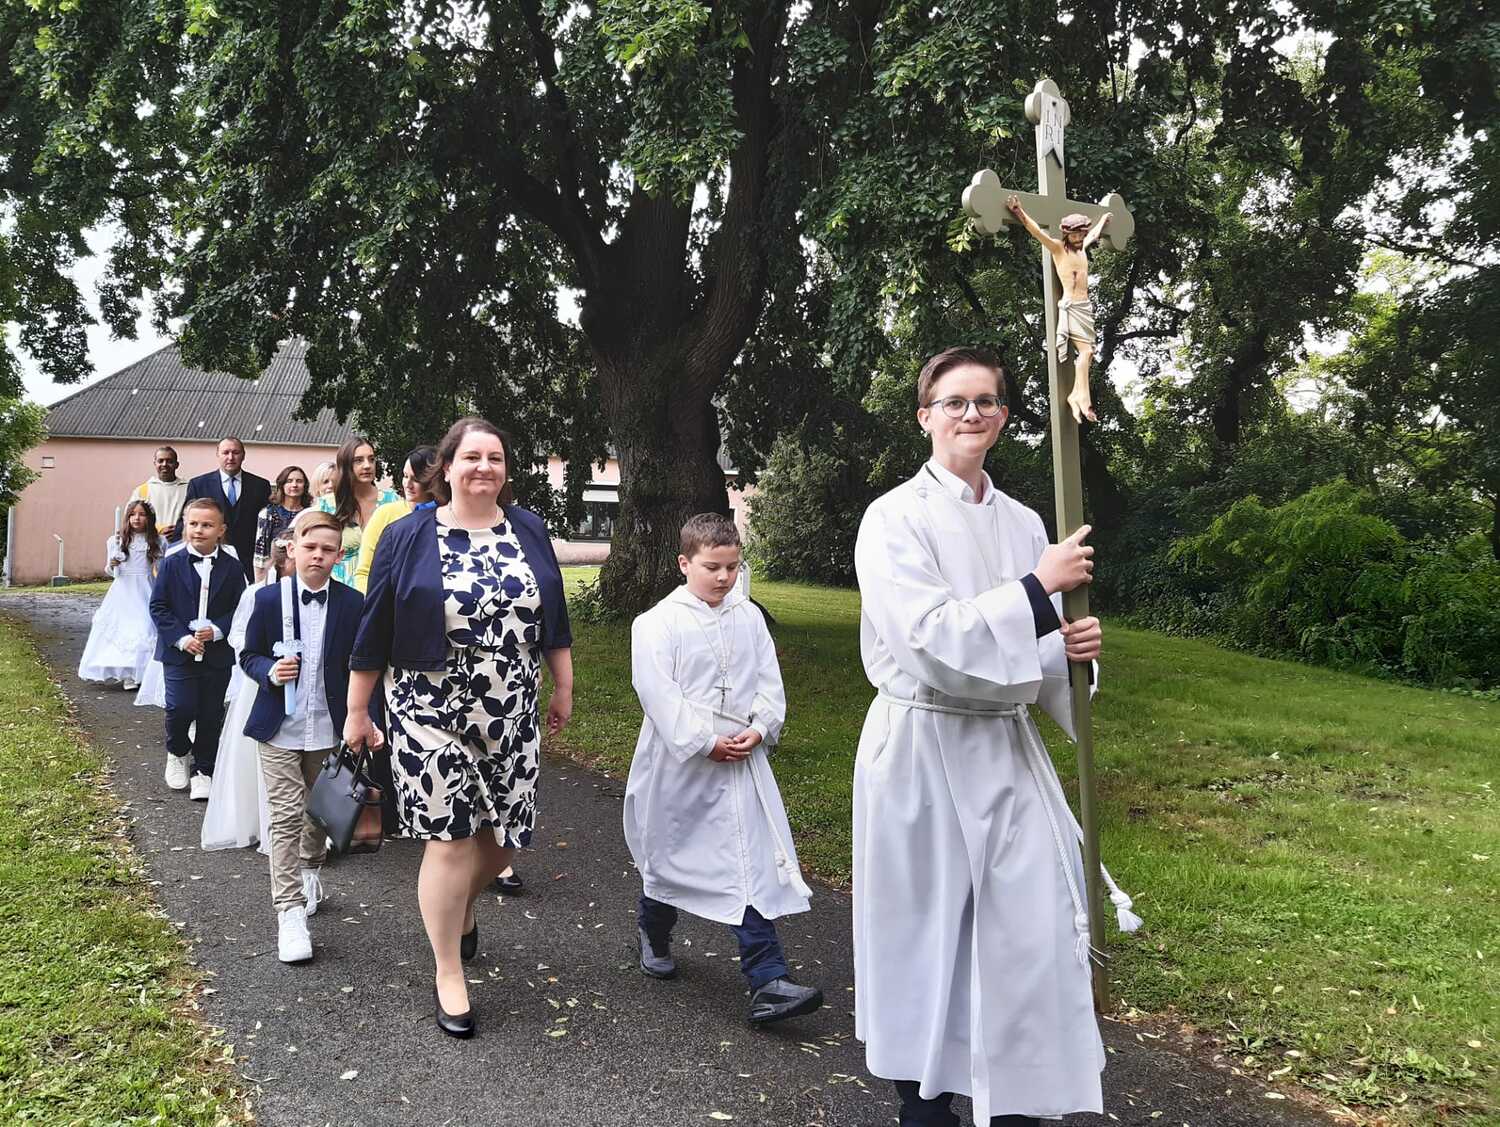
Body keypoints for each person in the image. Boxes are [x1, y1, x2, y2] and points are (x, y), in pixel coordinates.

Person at [852, 347, 1134, 1127]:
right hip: (921, 748)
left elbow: (1037, 658)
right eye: (954, 401)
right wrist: (1038, 590)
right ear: (925, 416)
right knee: (926, 933)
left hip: (1006, 753)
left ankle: (1016, 1101)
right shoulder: (892, 518)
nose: (970, 413)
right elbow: (929, 639)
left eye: (985, 401)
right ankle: (924, 1103)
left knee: (1025, 932)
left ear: (1005, 417)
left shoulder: (1026, 523)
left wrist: (1074, 657)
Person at [346, 416, 574, 1039]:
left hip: (511, 706)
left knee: (503, 840)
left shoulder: (528, 528)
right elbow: (375, 624)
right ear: (446, 468)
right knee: (448, 839)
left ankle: (461, 908)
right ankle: (449, 971)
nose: (484, 467)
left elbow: (552, 614)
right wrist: (358, 710)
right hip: (427, 706)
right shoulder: (408, 533)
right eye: (471, 457)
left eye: (495, 457)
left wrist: (562, 684)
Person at [624, 513, 823, 1025]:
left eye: (732, 567)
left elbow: (768, 681)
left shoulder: (748, 617)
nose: (724, 577)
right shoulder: (657, 623)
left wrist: (761, 726)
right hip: (682, 766)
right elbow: (657, 694)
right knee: (669, 859)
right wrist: (702, 742)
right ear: (684, 563)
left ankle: (768, 979)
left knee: (747, 864)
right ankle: (653, 928)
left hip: (741, 761)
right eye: (712, 567)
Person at [242, 510, 366, 964]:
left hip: (328, 727)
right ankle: (289, 913)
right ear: (291, 548)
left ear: (339, 556)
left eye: (328, 550)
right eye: (310, 547)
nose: (318, 556)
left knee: (318, 812)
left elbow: (363, 667)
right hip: (279, 727)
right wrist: (269, 671)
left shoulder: (352, 604)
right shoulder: (268, 599)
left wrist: (366, 720)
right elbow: (248, 655)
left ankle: (311, 870)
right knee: (285, 815)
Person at [201, 533, 293, 854]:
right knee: (255, 754)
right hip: (260, 681)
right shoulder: (257, 593)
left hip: (299, 681)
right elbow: (238, 635)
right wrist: (268, 661)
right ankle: (255, 821)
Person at [151, 498, 248, 800]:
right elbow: (159, 606)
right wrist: (182, 638)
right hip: (178, 653)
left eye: (207, 525)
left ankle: (204, 769)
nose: (199, 530)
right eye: (193, 524)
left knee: (210, 712)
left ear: (221, 530)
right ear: (185, 526)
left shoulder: (233, 567)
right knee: (180, 707)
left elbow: (241, 608)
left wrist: (218, 630)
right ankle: (178, 751)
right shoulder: (172, 563)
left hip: (216, 656)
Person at [1005, 196, 1113, 424]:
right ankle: (1083, 398)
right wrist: (1019, 212)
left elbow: (1094, 235)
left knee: (1088, 354)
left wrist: (1103, 221)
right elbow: (1036, 232)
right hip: (1071, 306)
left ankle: (1075, 395)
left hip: (1085, 307)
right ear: (1066, 234)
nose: (1079, 238)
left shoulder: (1082, 249)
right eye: (1075, 235)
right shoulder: (1058, 249)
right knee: (1086, 353)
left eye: (1081, 234)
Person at [79, 500, 162, 690]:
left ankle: (144, 673)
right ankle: (129, 674)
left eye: (142, 514)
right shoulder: (116, 541)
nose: (137, 518)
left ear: (149, 518)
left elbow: (162, 567)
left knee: (145, 627)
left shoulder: (158, 541)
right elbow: (111, 571)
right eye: (132, 514)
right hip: (123, 590)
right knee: (124, 628)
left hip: (146, 588)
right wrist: (113, 564)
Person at [179, 436, 272, 581]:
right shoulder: (199, 484)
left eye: (236, 452)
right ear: (218, 454)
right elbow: (184, 523)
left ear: (243, 455)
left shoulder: (260, 485)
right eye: (226, 452)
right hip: (211, 558)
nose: (230, 457)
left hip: (249, 562)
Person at [352, 445, 438, 594]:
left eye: (416, 479)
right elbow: (364, 572)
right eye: (405, 476)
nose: (408, 484)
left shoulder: (444, 515)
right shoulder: (385, 513)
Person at [316, 436, 399, 585]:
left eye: (371, 459)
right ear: (345, 464)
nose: (367, 465)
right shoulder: (327, 505)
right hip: (338, 590)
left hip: (381, 589)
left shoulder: (393, 502)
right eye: (358, 460)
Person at [253, 466, 311, 580]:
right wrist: (259, 582)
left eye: (299, 481)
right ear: (282, 485)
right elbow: (260, 554)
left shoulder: (310, 514)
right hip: (274, 574)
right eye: (289, 481)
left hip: (304, 574)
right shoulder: (268, 514)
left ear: (305, 486)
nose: (294, 485)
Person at [132, 446, 189, 543]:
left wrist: (179, 529)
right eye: (160, 461)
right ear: (155, 463)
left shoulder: (188, 488)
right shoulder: (142, 490)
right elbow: (133, 520)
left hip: (181, 542)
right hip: (152, 543)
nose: (164, 464)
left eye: (169, 461)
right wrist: (158, 530)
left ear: (177, 465)